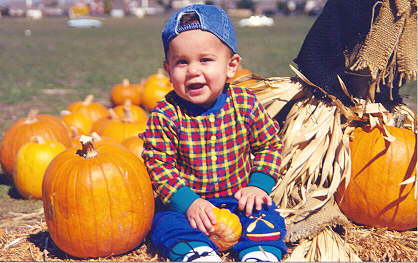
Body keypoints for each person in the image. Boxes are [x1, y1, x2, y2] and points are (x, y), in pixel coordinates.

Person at [141, 4, 287, 262]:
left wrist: (258, 185)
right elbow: (158, 164)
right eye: (181, 62)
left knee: (266, 217)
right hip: (188, 205)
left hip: (239, 198)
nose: (193, 70)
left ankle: (259, 254)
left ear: (231, 66)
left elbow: (270, 145)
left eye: (205, 60)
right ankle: (198, 253)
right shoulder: (165, 114)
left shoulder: (244, 103)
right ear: (167, 70)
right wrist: (188, 203)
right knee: (165, 224)